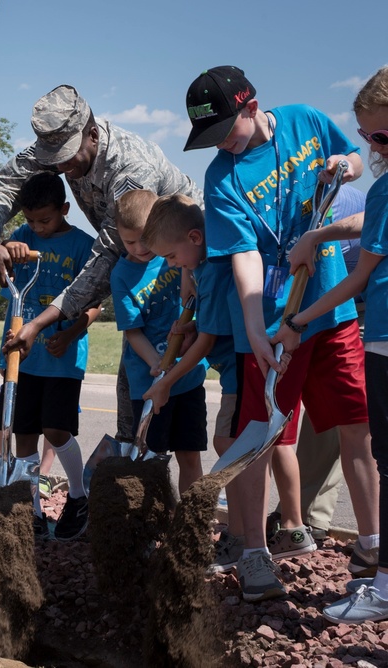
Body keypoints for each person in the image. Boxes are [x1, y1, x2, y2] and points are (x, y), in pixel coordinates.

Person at [185, 65, 378, 602]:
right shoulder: (221, 178)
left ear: (251, 107)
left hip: (331, 311)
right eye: (209, 137)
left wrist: (344, 166)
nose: (219, 143)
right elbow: (244, 256)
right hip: (273, 327)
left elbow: (356, 160)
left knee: (356, 427)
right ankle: (254, 553)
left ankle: (371, 547)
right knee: (259, 439)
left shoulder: (305, 121)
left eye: (225, 130)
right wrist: (255, 329)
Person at [0, 85, 203, 446]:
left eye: (68, 157)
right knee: (136, 385)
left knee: (176, 381)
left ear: (92, 134)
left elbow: (104, 260)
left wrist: (38, 324)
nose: (61, 167)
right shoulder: (59, 144)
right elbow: (4, 184)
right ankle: (133, 459)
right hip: (138, 265)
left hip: (187, 266)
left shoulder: (131, 169)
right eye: (54, 159)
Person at [274, 65, 388, 623]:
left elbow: (359, 274)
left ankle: (381, 579)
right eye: (366, 136)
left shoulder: (380, 187)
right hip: (372, 335)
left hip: (373, 335)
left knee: (380, 455)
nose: (372, 147)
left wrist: (298, 319)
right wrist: (320, 232)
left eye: (380, 135)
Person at [0, 172, 99, 541]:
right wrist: (7, 245)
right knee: (24, 434)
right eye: (31, 220)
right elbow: (2, 273)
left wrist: (69, 334)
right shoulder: (22, 237)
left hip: (62, 359)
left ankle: (79, 497)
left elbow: (94, 305)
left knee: (56, 429)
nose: (37, 227)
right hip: (22, 359)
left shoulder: (84, 246)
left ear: (65, 209)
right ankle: (32, 510)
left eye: (45, 220)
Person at [140, 193, 241, 569]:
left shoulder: (211, 273)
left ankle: (240, 536)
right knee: (229, 444)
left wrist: (166, 382)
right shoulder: (203, 267)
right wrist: (191, 323)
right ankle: (241, 532)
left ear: (195, 238)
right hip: (232, 369)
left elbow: (205, 344)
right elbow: (206, 322)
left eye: (171, 256)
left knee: (227, 444)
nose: (170, 264)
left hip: (238, 371)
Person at [271, 184, 366, 544]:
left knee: (346, 416)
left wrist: (297, 322)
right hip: (318, 305)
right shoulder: (282, 207)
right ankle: (300, 512)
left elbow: (349, 283)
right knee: (320, 413)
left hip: (358, 304)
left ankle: (311, 516)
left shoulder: (332, 210)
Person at [109, 190, 208, 492]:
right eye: (130, 242)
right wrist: (156, 364)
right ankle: (153, 516)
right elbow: (133, 331)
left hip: (188, 376)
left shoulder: (175, 257)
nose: (140, 248)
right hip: (149, 383)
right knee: (151, 457)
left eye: (145, 239)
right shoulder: (122, 275)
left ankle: (189, 515)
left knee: (190, 453)